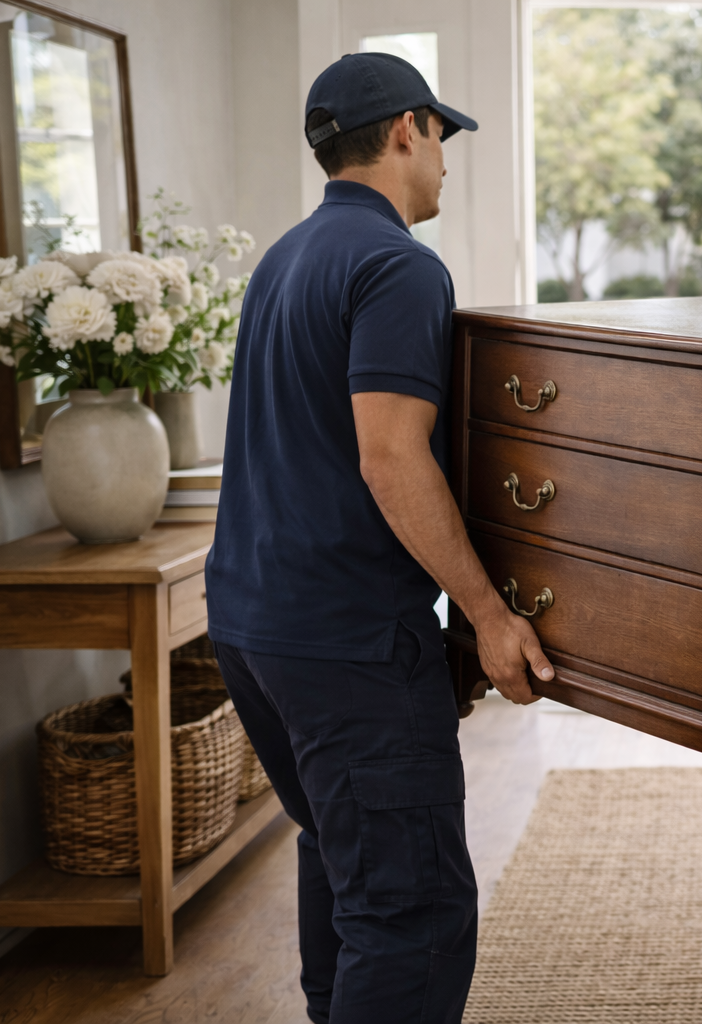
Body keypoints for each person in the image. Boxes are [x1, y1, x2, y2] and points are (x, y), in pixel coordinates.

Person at [205, 53, 553, 1024]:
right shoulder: (399, 266)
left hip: (248, 627)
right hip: (345, 642)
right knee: (416, 916)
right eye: (441, 135)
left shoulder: (283, 259)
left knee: (340, 851)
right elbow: (392, 460)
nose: (445, 160)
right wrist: (485, 614)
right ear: (407, 130)